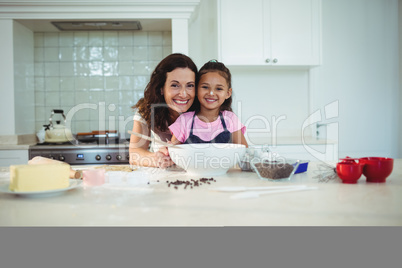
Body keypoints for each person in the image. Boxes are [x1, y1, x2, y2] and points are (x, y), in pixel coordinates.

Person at [129, 53, 198, 168]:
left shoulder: (205, 112)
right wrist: (156, 159)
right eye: (175, 85)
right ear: (161, 88)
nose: (183, 94)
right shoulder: (147, 110)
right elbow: (134, 154)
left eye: (190, 85)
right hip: (160, 176)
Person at [169, 60, 248, 146]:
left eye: (219, 89)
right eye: (205, 87)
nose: (211, 93)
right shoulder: (184, 121)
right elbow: (173, 152)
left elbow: (243, 151)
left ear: (228, 93)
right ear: (196, 90)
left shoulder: (230, 119)